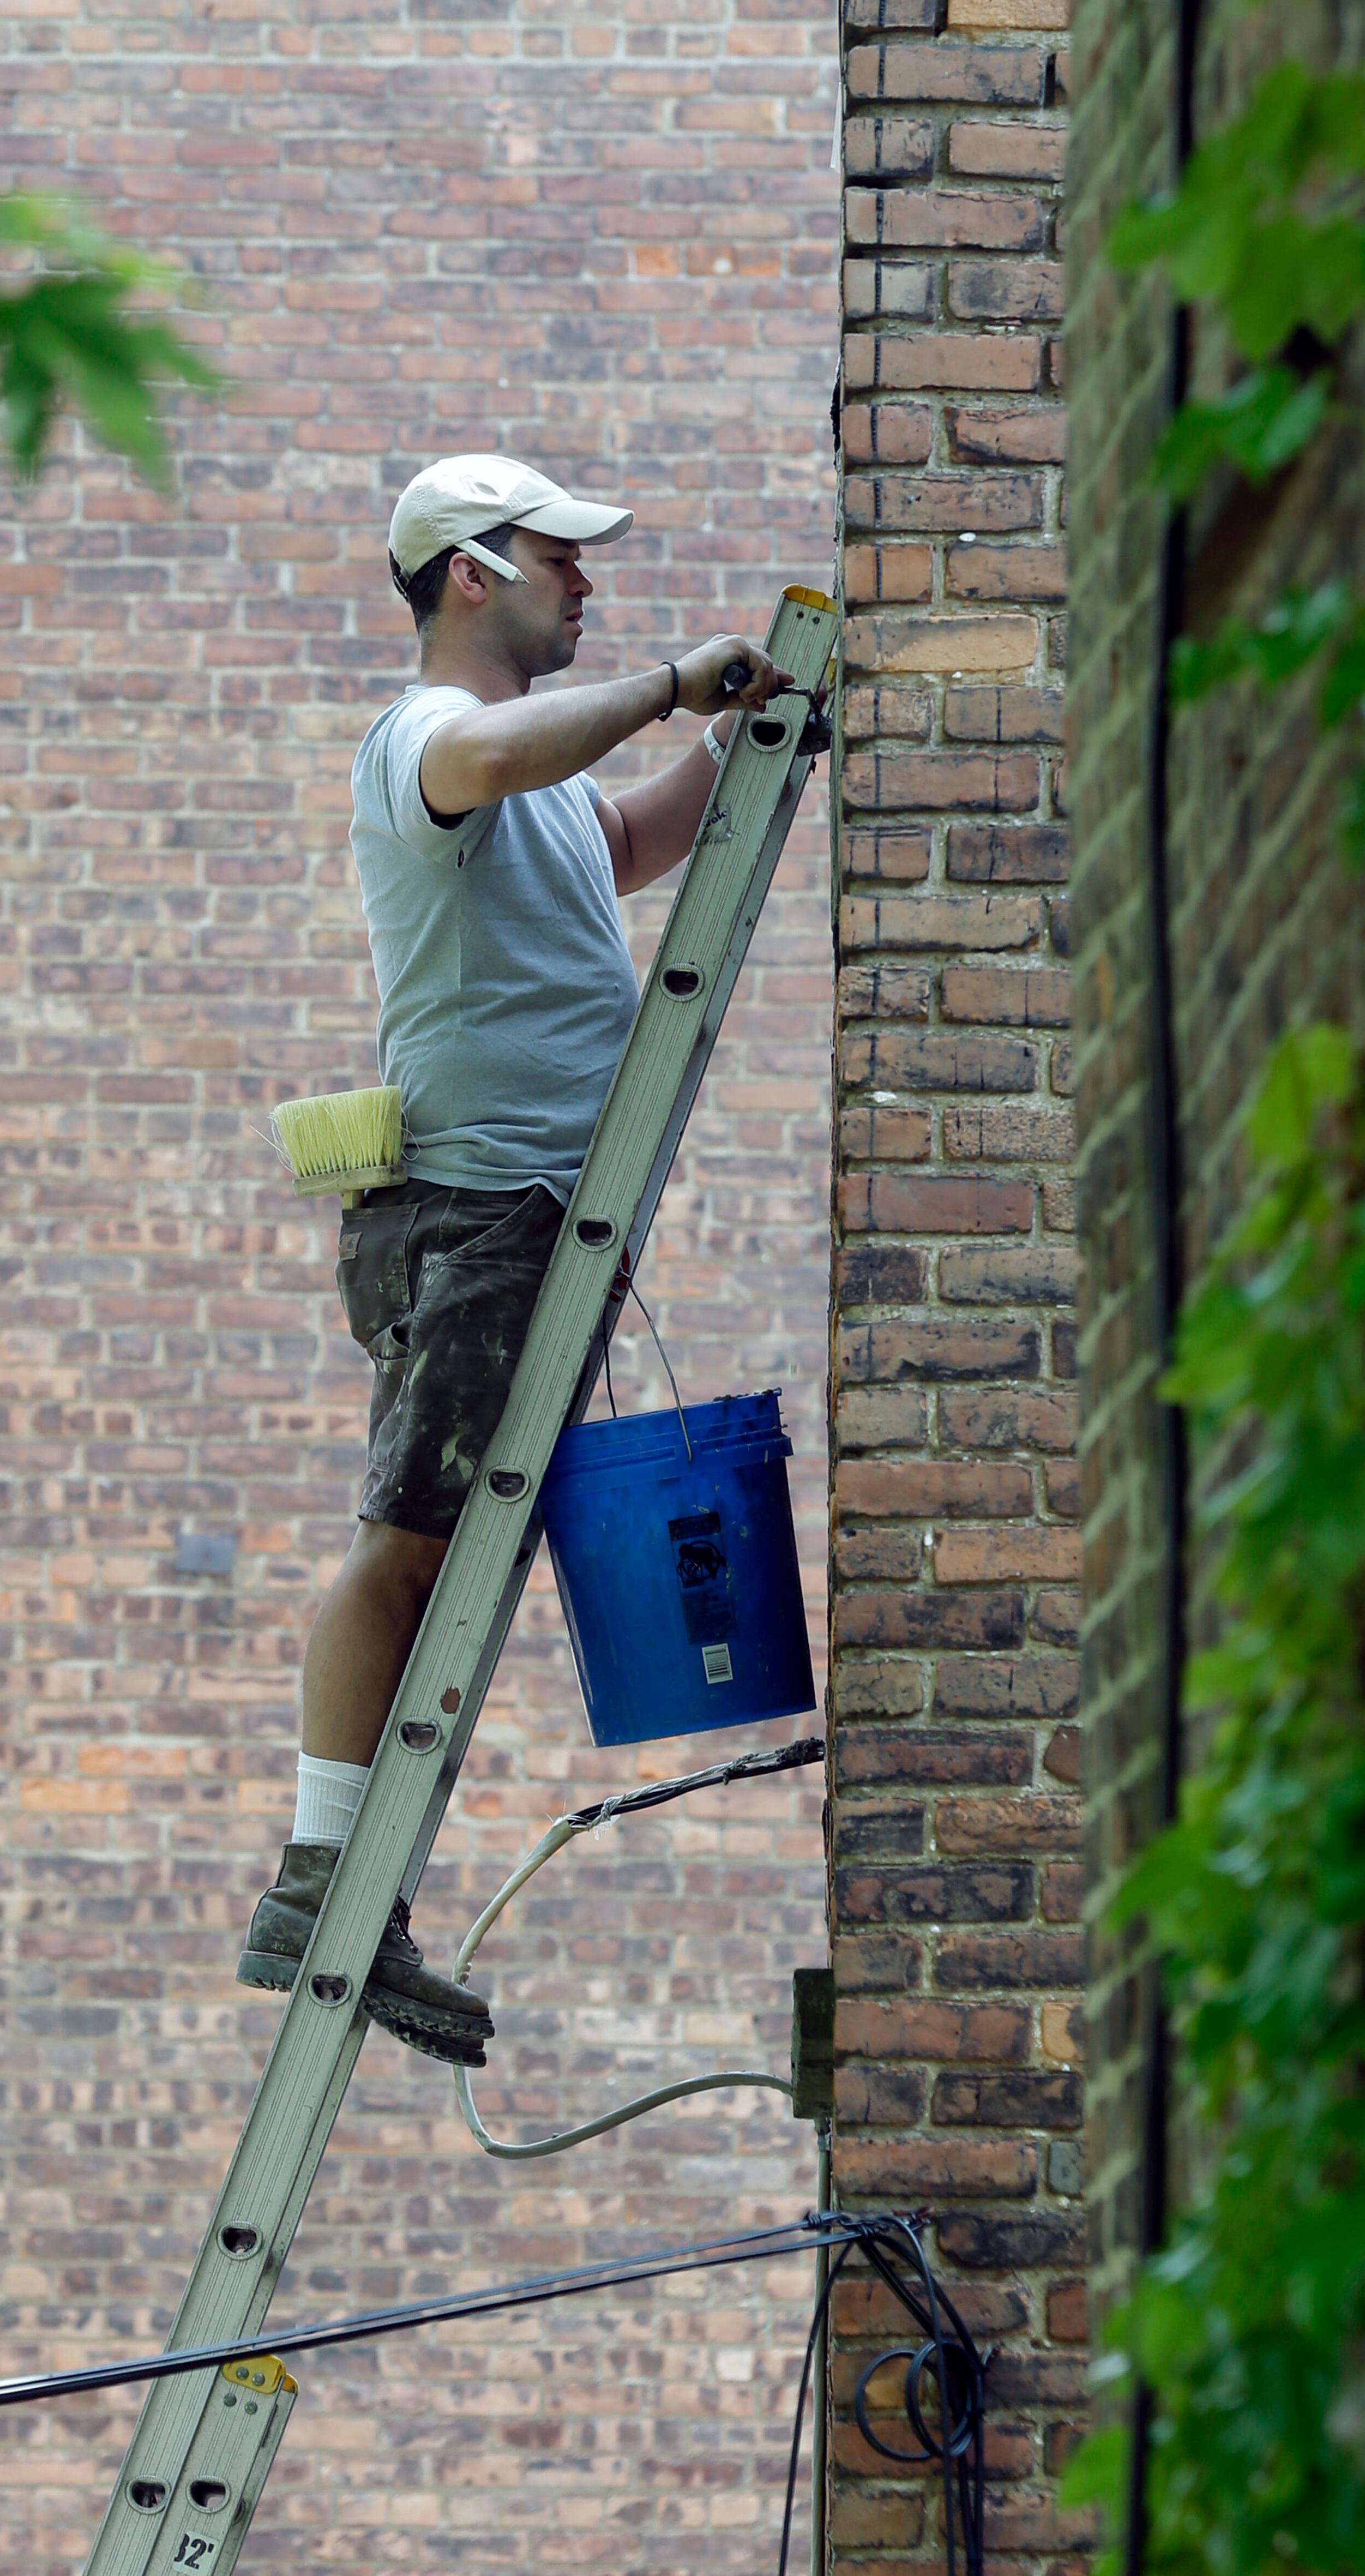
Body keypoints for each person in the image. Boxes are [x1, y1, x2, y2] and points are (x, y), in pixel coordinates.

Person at [235, 454, 795, 2063]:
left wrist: (740, 739)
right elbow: (490, 751)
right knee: (410, 1544)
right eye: (562, 559)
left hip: (529, 1213)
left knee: (445, 1559)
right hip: (477, 1213)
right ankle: (322, 1883)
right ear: (470, 574)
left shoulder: (532, 783)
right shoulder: (428, 740)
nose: (591, 585)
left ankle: (367, 1896)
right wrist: (673, 681)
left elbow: (617, 839)